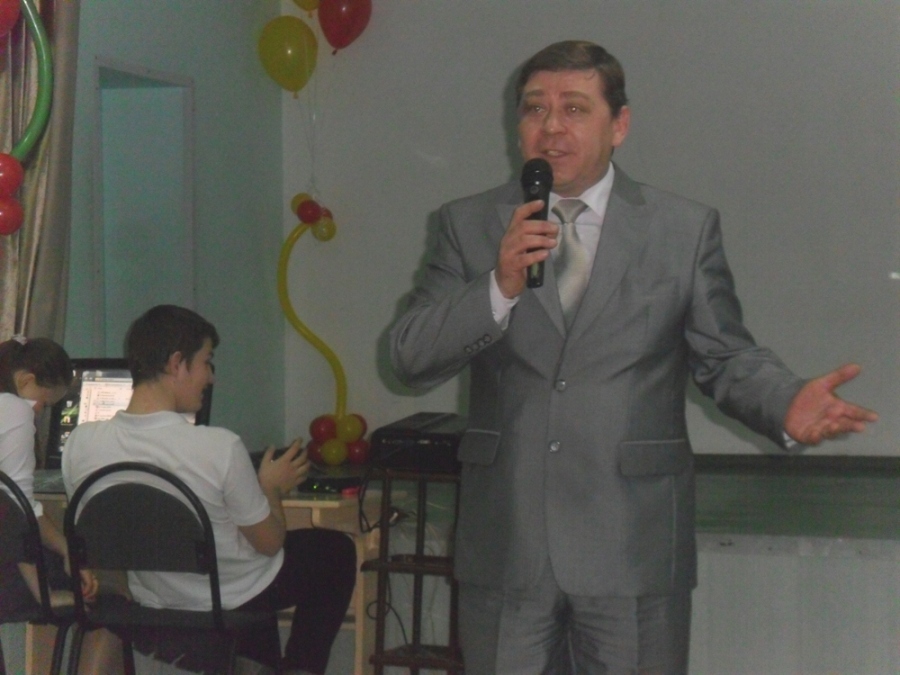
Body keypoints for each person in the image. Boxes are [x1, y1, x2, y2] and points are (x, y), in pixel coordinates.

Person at [389, 40, 879, 674]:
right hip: (509, 547)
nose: (551, 127)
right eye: (535, 108)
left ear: (618, 124)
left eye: (574, 108)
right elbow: (410, 355)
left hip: (632, 544)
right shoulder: (470, 224)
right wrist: (497, 286)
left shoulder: (682, 229)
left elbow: (725, 356)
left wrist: (785, 403)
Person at [62, 305, 356, 675]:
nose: (211, 377)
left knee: (248, 568)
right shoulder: (219, 446)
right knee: (333, 551)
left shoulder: (80, 444)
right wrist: (271, 488)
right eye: (206, 362)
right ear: (177, 363)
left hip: (150, 597)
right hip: (228, 596)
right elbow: (269, 544)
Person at [0, 336, 123, 674]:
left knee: (64, 560)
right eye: (44, 402)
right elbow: (17, 512)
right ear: (26, 380)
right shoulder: (15, 411)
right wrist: (45, 594)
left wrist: (65, 548)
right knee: (104, 594)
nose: (41, 412)